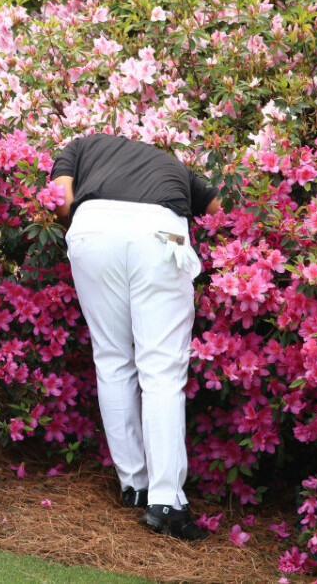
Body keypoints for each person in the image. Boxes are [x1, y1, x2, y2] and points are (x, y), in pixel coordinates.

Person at [50, 133, 220, 541]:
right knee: (161, 367)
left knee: (111, 356)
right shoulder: (176, 167)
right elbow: (218, 209)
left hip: (93, 228)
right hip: (160, 231)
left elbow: (59, 199)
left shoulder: (81, 146)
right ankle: (166, 501)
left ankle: (135, 486)